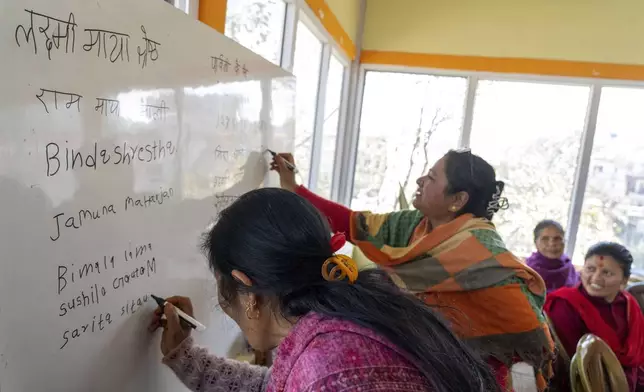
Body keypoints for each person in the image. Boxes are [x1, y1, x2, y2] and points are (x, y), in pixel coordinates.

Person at [150, 188, 501, 392]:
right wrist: (187, 358)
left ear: (246, 288)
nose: (223, 303)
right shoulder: (341, 324)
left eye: (221, 286)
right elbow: (276, 385)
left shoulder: (329, 366)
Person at [271, 149, 555, 391]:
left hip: (506, 365)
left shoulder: (476, 245)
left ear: (457, 200)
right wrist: (293, 186)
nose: (421, 180)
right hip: (455, 358)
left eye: (431, 177)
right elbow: (353, 224)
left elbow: (387, 279)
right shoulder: (417, 224)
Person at [545, 242, 644, 392]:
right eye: (590, 269)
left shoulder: (629, 305)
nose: (596, 278)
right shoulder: (565, 304)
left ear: (624, 280)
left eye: (607, 273)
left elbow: (638, 358)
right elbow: (577, 366)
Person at [526, 220, 579, 293]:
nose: (552, 243)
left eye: (557, 238)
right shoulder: (528, 272)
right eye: (545, 239)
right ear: (536, 243)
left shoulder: (569, 268)